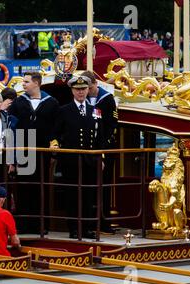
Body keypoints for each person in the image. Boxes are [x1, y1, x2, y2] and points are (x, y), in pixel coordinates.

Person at [52, 76, 104, 239]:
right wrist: (56, 148)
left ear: (88, 90)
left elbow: (98, 136)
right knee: (72, 194)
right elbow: (55, 133)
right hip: (70, 161)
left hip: (90, 160)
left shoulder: (96, 110)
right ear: (72, 91)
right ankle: (74, 228)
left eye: (83, 89)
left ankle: (87, 227)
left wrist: (100, 156)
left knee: (88, 194)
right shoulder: (63, 110)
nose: (80, 92)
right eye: (77, 89)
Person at [8, 71, 60, 234]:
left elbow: (55, 127)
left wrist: (53, 146)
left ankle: (40, 225)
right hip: (24, 149)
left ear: (36, 83)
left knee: (41, 187)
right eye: (23, 82)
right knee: (24, 187)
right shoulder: (18, 102)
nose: (23, 84)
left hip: (42, 150)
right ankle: (24, 224)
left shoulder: (51, 103)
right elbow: (12, 127)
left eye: (26, 82)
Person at [81, 70, 119, 234]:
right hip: (87, 150)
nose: (85, 91)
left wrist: (102, 149)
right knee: (87, 187)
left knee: (104, 187)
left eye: (88, 87)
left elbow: (112, 126)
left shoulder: (107, 99)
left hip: (105, 149)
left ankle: (104, 221)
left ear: (95, 84)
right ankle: (88, 222)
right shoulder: (82, 100)